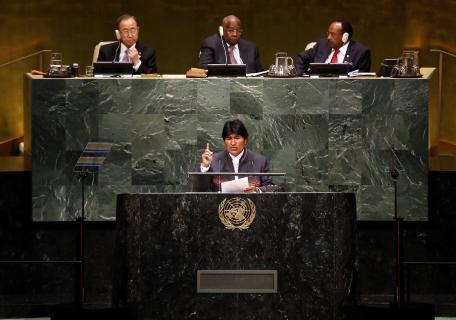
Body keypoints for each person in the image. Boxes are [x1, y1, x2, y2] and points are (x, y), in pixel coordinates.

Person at [193, 119, 273, 192]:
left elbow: (271, 187)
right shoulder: (214, 160)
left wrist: (257, 190)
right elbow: (198, 192)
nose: (233, 143)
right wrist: (204, 167)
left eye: (237, 138)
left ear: (245, 141)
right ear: (224, 142)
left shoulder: (260, 161)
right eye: (229, 139)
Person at [294, 21, 371, 76]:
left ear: (345, 37)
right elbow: (301, 57)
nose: (328, 37)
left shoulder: (361, 52)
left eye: (333, 34)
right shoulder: (322, 44)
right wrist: (301, 77)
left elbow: (362, 80)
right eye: (328, 33)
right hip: (316, 88)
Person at [198, 15, 263, 74]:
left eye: (238, 31)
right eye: (231, 30)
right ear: (222, 30)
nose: (235, 34)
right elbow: (203, 70)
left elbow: (260, 73)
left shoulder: (251, 48)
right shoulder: (211, 44)